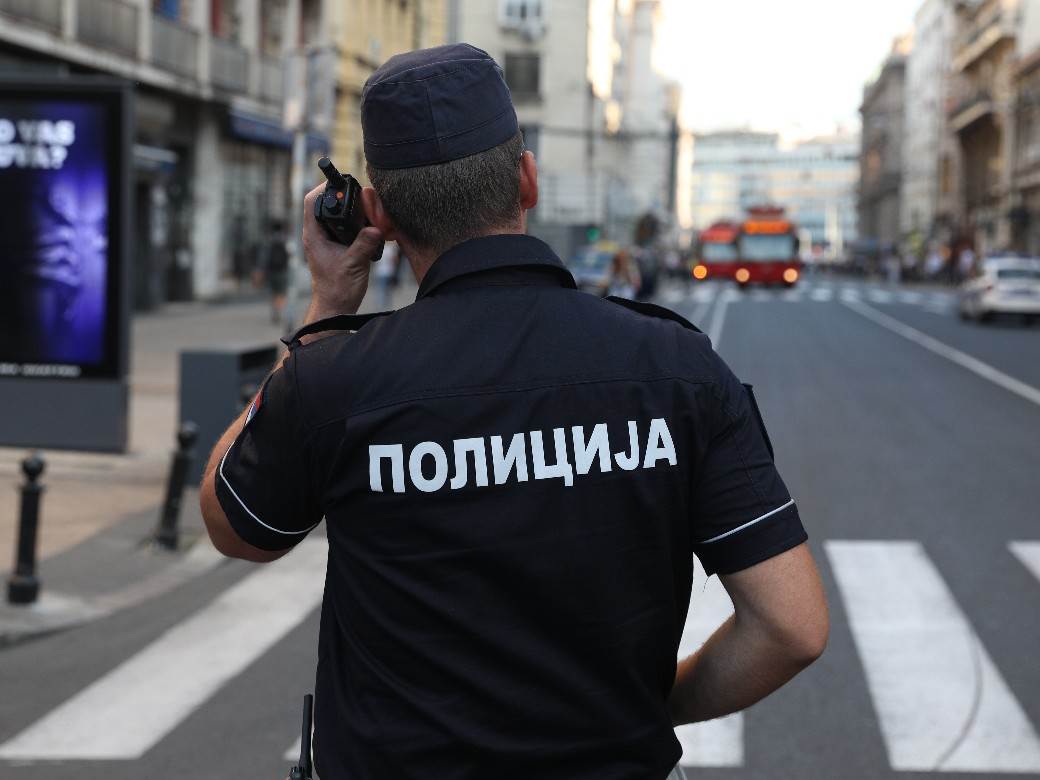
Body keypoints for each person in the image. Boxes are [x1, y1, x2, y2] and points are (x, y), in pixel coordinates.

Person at [199, 43, 827, 780]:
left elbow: (232, 524)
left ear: (378, 213)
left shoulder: (334, 380)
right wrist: (654, 707)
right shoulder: (678, 369)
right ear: (526, 179)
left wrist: (326, 307)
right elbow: (792, 627)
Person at [259, 219, 291, 323]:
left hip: (272, 271)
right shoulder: (285, 239)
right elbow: (290, 254)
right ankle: (279, 310)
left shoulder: (268, 241)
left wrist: (263, 271)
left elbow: (265, 257)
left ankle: (275, 311)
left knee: (273, 293)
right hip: (282, 270)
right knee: (281, 293)